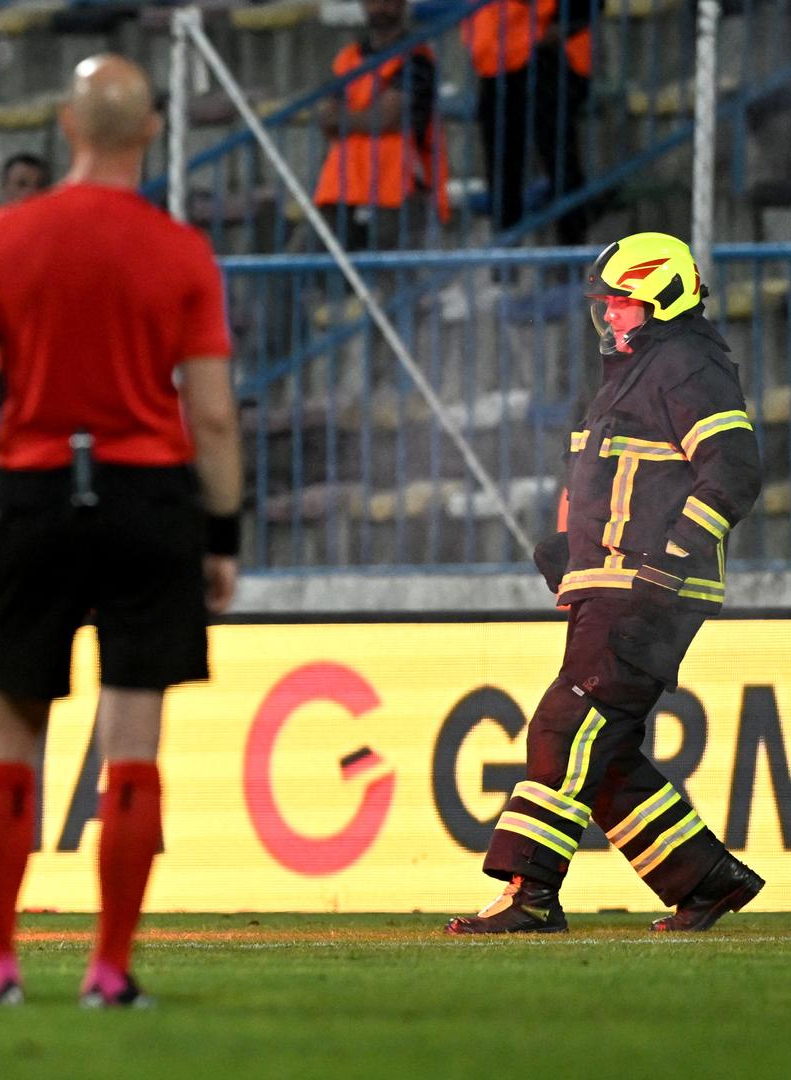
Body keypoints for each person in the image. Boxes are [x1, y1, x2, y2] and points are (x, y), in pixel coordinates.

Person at [0, 54, 241, 1007]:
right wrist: (221, 534)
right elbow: (217, 414)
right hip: (149, 499)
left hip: (32, 495)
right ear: (150, 132)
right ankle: (109, 969)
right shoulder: (181, 251)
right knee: (134, 735)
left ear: (68, 125)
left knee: (11, 729)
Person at [447, 232, 765, 935]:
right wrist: (572, 552)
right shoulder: (639, 369)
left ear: (661, 299)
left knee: (568, 726)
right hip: (617, 581)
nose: (609, 316)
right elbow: (621, 480)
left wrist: (670, 556)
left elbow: (734, 470)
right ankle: (707, 879)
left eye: (621, 303)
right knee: (606, 749)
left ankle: (530, 893)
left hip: (645, 589)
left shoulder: (684, 365)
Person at [311, 0, 449, 251]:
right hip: (342, 186)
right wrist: (365, 118)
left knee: (391, 277)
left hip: (398, 188)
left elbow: (386, 118)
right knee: (301, 265)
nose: (382, 7)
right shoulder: (348, 57)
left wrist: (346, 118)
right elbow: (326, 119)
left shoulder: (417, 58)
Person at [462, 0, 596, 245]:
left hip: (545, 58)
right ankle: (506, 259)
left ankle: (571, 254)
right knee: (502, 170)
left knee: (560, 164)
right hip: (495, 63)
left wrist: (559, 29)